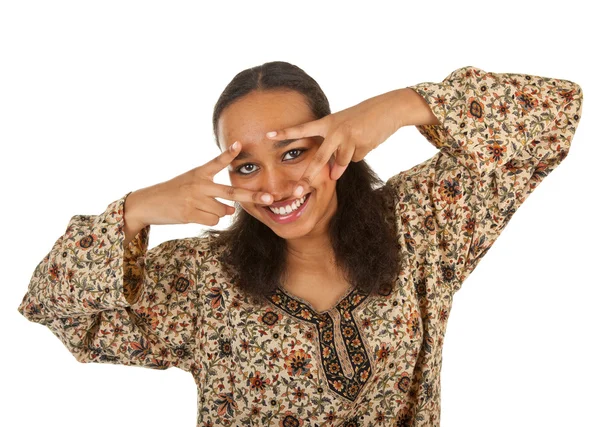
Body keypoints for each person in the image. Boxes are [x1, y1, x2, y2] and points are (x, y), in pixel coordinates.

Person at [17, 61, 583, 426]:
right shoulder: (201, 280)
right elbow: (54, 307)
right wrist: (136, 210)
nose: (275, 186)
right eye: (245, 166)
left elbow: (555, 116)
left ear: (340, 140)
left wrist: (401, 105)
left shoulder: (420, 226)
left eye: (294, 151)